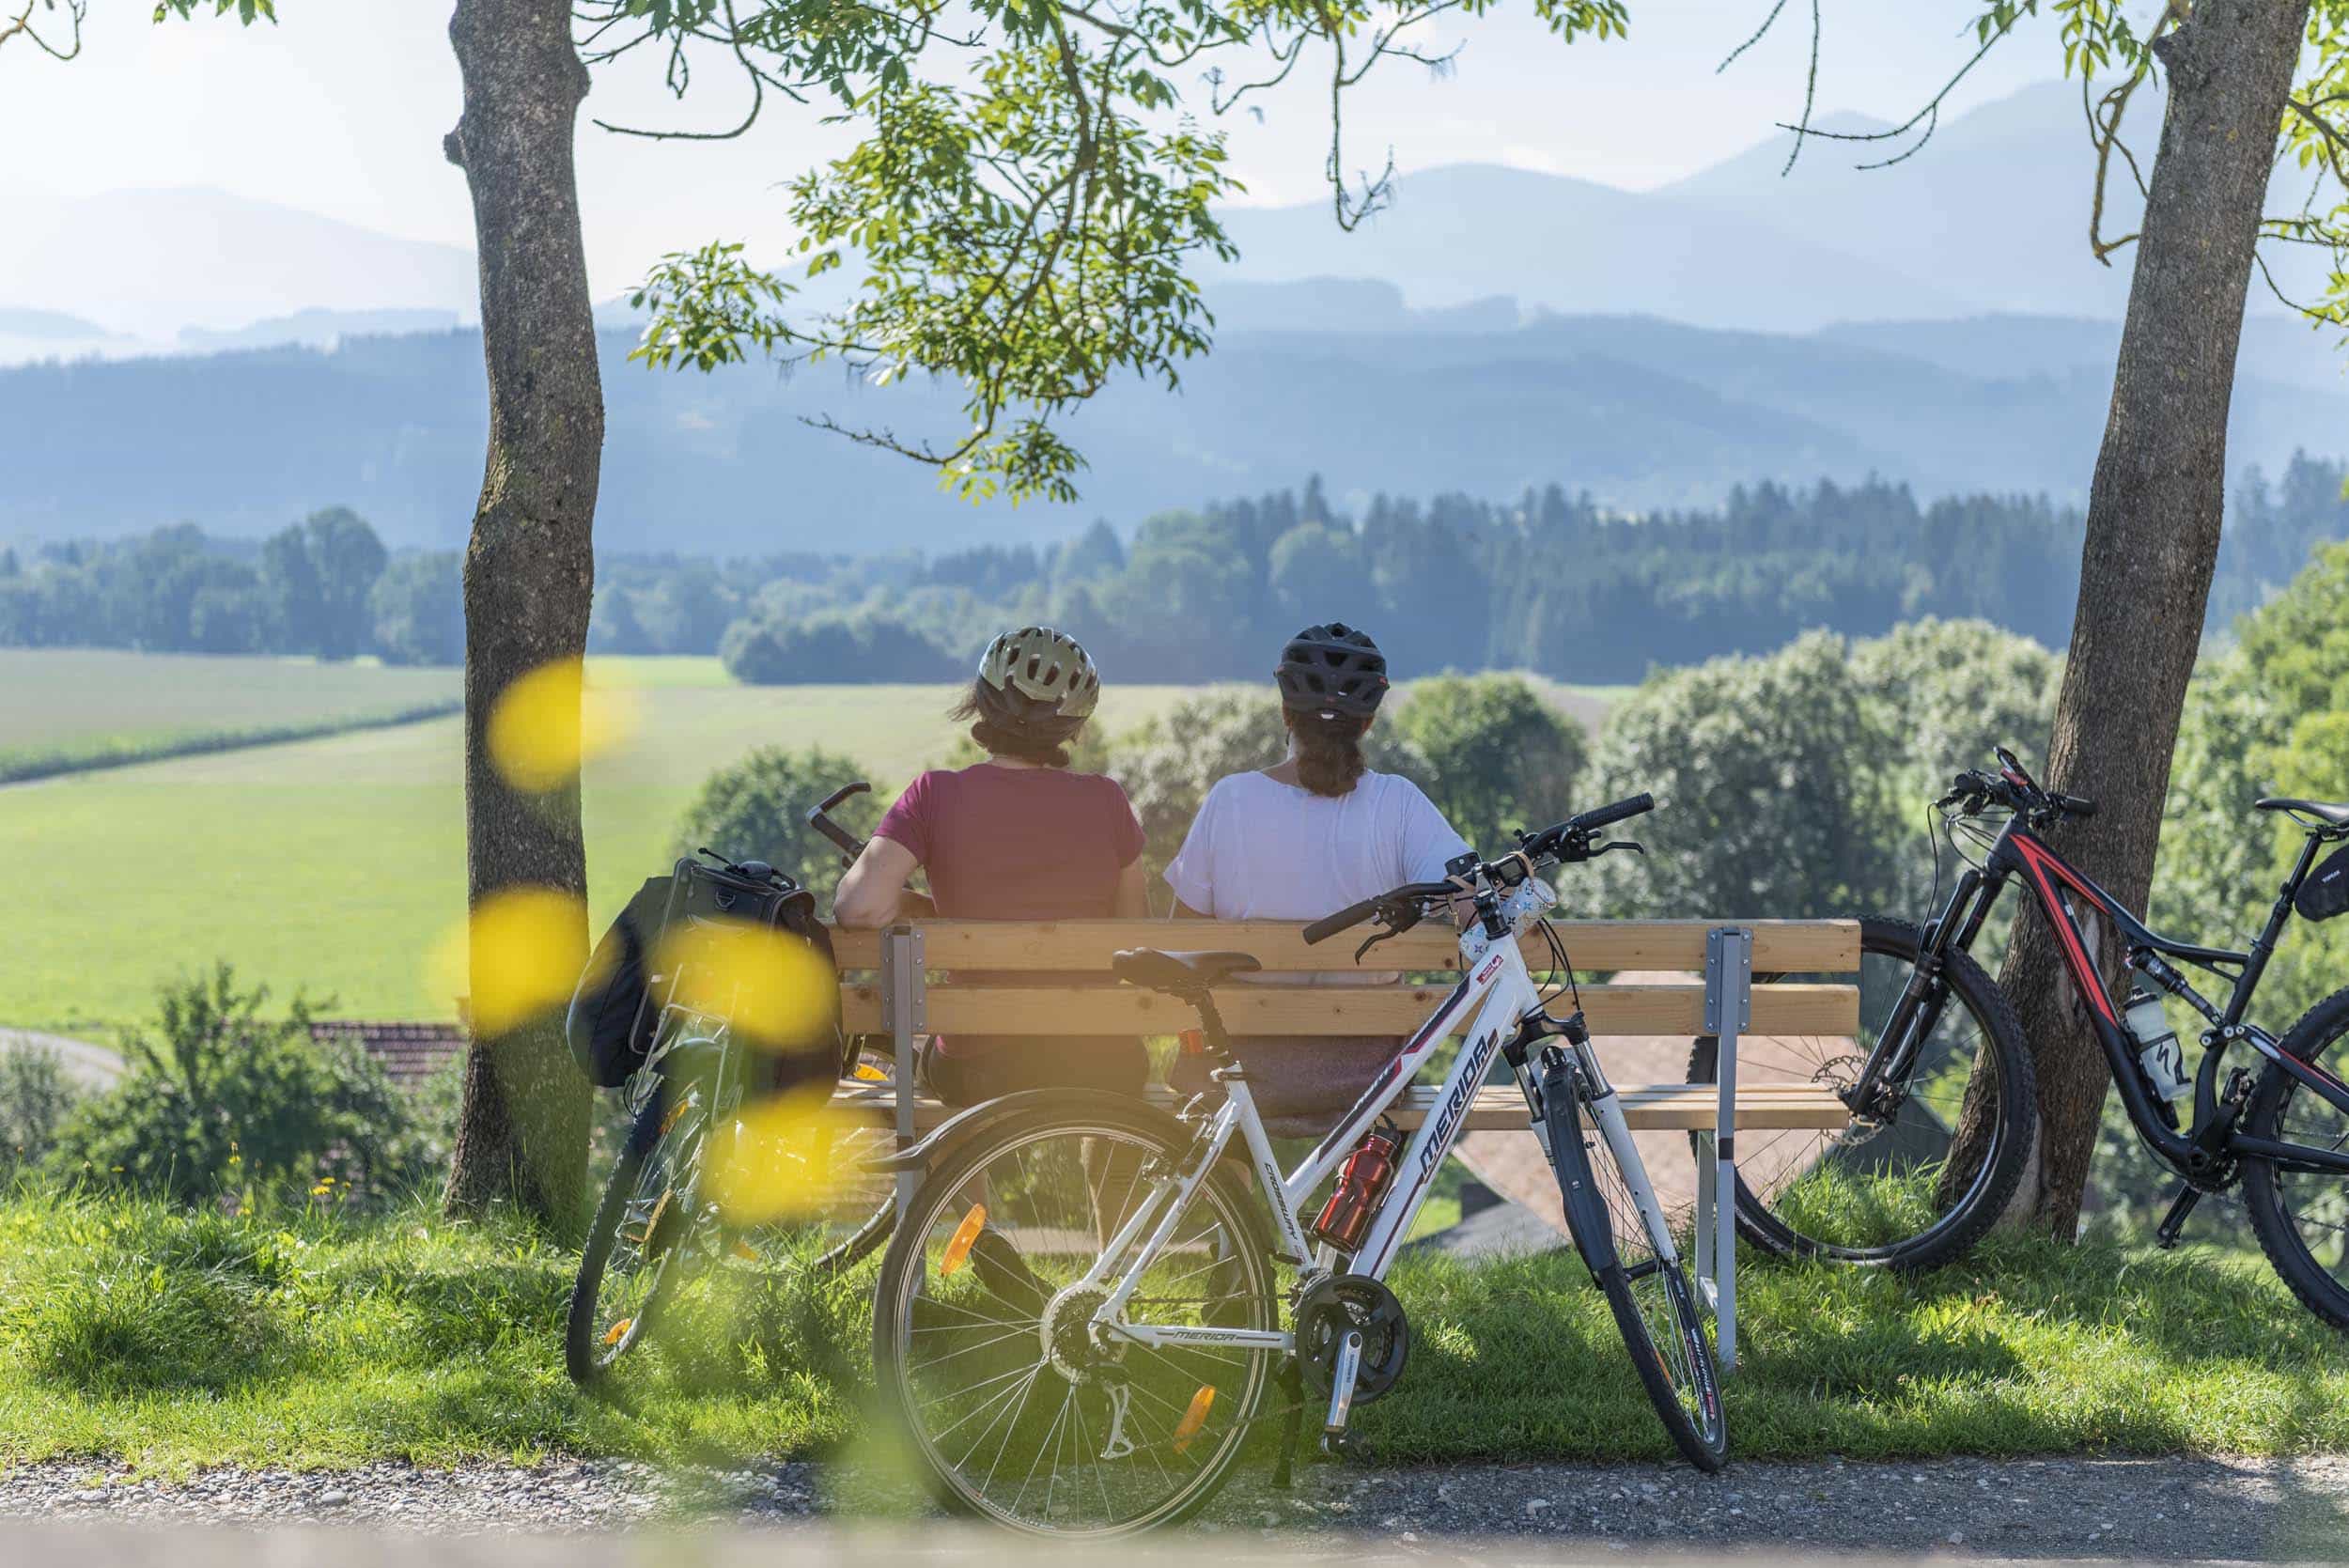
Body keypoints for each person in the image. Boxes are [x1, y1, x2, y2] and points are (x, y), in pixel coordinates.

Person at [1162, 621, 1473, 1132]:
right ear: (1368, 724)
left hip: (1240, 1069)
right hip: (1367, 1077)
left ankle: (1236, 1196)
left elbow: (1184, 937)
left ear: (1286, 714)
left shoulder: (1231, 799)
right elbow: (1471, 897)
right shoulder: (1398, 804)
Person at [834, 625, 1149, 1107]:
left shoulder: (934, 795)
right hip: (1101, 1063)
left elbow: (858, 909)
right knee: (1112, 1093)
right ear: (1072, 726)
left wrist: (923, 906)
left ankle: (961, 1183)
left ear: (980, 702)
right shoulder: (1107, 801)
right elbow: (1133, 933)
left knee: (922, 1074)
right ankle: (1104, 1181)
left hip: (978, 1066)